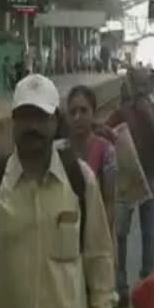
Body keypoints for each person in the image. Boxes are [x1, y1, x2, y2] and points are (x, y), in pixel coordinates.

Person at [0, 74, 114, 308]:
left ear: (55, 122)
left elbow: (99, 256)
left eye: (40, 117)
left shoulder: (80, 182)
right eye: (24, 117)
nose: (32, 127)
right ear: (13, 123)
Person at [107, 67, 154, 308]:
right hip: (126, 182)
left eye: (146, 86)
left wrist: (150, 117)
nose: (142, 91)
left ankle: (147, 283)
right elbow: (105, 134)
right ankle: (122, 287)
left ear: (151, 86)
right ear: (132, 86)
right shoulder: (122, 112)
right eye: (139, 86)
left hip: (150, 179)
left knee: (148, 233)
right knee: (122, 235)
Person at [63, 85, 117, 244]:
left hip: (93, 234)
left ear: (93, 113)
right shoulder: (59, 151)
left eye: (83, 110)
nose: (77, 117)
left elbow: (109, 201)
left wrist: (105, 241)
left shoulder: (107, 151)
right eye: (72, 112)